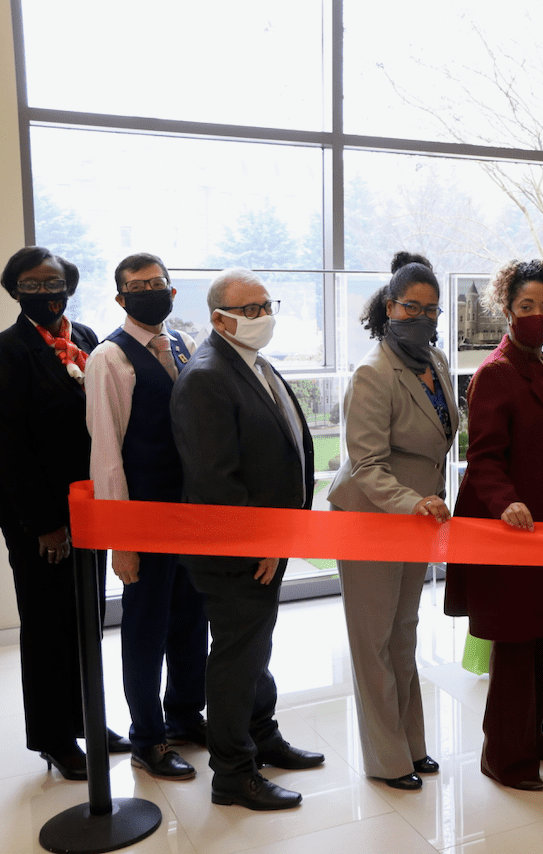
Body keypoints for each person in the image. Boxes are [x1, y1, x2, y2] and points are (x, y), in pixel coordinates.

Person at [171, 268, 324, 810]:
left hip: (268, 543)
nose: (265, 317)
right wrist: (259, 541)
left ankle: (263, 734)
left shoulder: (252, 363)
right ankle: (233, 773)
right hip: (239, 551)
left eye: (267, 305)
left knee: (256, 649)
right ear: (219, 318)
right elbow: (214, 481)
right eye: (252, 309)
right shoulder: (208, 376)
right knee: (237, 657)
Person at [445, 258, 543, 791]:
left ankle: (531, 735)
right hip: (512, 531)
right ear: (507, 308)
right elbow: (482, 458)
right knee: (516, 644)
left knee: (541, 637)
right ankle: (504, 756)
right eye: (528, 307)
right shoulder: (496, 372)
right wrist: (505, 502)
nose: (539, 316)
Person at [0, 246, 129, 780]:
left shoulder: (86, 340)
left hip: (89, 509)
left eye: (52, 282)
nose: (45, 293)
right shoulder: (7, 351)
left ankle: (87, 719)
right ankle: (54, 737)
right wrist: (45, 523)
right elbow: (9, 448)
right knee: (48, 625)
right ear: (15, 291)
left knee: (86, 620)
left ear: (69, 285)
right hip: (42, 520)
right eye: (31, 285)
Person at [327, 252, 455, 791]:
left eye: (431, 309)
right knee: (373, 641)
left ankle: (412, 744)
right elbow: (367, 465)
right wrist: (413, 502)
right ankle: (387, 759)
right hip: (370, 518)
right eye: (410, 307)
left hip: (414, 519)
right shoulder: (373, 372)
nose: (421, 318)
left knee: (404, 634)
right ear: (389, 306)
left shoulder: (438, 364)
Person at [85, 252, 208, 781]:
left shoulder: (182, 344)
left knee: (189, 620)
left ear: (173, 292)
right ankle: (147, 738)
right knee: (144, 628)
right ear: (120, 298)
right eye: (139, 286)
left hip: (189, 516)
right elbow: (107, 455)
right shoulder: (108, 359)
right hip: (144, 517)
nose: (150, 291)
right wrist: (121, 539)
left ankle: (183, 714)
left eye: (158, 283)